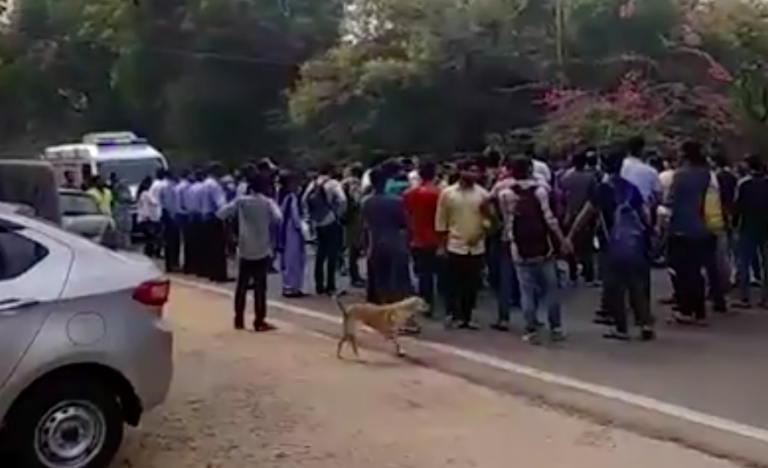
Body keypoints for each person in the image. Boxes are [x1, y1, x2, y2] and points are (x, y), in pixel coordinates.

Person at [569, 150, 655, 341]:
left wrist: (571, 236)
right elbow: (645, 215)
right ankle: (645, 324)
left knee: (614, 287)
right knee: (636, 285)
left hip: (610, 243)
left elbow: (586, 215)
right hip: (634, 243)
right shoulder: (631, 188)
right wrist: (649, 236)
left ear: (603, 166)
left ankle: (621, 328)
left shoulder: (602, 189)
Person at [498, 156, 571, 344]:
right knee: (551, 289)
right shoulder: (540, 191)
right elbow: (550, 219)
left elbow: (507, 221)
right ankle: (556, 328)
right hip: (543, 247)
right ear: (531, 169)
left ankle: (531, 329)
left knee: (526, 291)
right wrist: (562, 240)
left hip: (518, 249)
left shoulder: (504, 193)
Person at [218, 173, 283, 332]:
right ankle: (259, 320)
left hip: (245, 247)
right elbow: (278, 219)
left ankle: (238, 318)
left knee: (242, 285)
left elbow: (221, 213)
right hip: (261, 248)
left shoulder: (241, 202)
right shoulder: (267, 202)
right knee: (260, 287)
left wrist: (233, 231)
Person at [666, 141, 720, 325]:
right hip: (703, 229)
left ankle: (685, 308)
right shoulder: (707, 175)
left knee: (681, 271)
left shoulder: (679, 176)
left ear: (685, 155)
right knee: (697, 271)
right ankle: (699, 310)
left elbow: (670, 202)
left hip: (681, 228)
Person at [435, 159, 490, 329]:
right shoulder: (448, 194)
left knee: (472, 284)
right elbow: (441, 220)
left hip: (476, 246)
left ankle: (467, 316)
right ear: (460, 172)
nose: (473, 175)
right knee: (453, 283)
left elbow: (488, 219)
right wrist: (442, 245)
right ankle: (452, 314)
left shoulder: (483, 194)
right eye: (470, 171)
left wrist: (482, 231)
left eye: (476, 171)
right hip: (455, 244)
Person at [403, 159, 442, 318]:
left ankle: (421, 301)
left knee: (420, 271)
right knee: (433, 273)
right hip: (435, 238)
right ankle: (430, 302)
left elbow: (406, 216)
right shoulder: (439, 193)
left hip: (415, 237)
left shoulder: (408, 193)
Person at [302, 164, 347, 295]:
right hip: (331, 221)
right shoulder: (333, 184)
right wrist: (337, 214)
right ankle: (330, 285)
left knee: (320, 254)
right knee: (332, 254)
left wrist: (311, 219)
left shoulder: (313, 184)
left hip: (318, 222)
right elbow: (342, 200)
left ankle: (319, 285)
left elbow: (304, 201)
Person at [732, 154, 768, 308]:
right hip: (766, 226)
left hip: (747, 225)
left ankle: (744, 298)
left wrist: (734, 225)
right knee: (766, 263)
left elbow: (737, 206)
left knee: (744, 262)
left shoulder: (744, 184)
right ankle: (765, 299)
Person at [559, 150, 599, 285]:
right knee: (587, 247)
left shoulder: (564, 178)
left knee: (570, 244)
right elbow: (594, 199)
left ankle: (573, 273)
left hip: (569, 214)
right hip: (586, 216)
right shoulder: (590, 178)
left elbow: (561, 198)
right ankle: (589, 275)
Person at [278, 172, 307, 298]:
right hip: (292, 232)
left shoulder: (280, 195)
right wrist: (303, 229)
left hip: (283, 230)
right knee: (294, 260)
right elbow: (295, 218)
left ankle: (287, 286)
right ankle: (293, 287)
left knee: (286, 260)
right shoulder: (291, 198)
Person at [201, 163, 229, 282]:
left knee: (210, 247)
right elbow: (221, 204)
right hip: (214, 217)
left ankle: (211, 272)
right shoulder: (214, 185)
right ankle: (220, 274)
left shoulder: (204, 184)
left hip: (205, 217)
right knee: (218, 247)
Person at [151, 169, 181, 272]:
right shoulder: (168, 187)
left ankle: (172, 263)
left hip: (166, 214)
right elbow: (169, 204)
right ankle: (172, 264)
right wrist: (173, 216)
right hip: (170, 216)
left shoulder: (168, 186)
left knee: (171, 241)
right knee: (172, 241)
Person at [341, 163, 366, 288]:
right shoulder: (355, 184)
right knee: (354, 248)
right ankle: (354, 276)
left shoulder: (344, 182)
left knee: (351, 247)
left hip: (346, 218)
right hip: (355, 218)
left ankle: (352, 273)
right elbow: (357, 200)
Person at [136, 176, 161, 258]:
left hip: (143, 218)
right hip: (147, 218)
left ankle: (149, 252)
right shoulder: (146, 194)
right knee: (151, 237)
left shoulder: (141, 194)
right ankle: (149, 252)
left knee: (149, 237)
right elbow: (153, 202)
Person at [109, 172, 133, 249]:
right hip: (120, 211)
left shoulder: (118, 187)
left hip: (123, 211)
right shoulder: (116, 188)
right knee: (120, 229)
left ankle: (125, 245)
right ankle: (123, 245)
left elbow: (128, 198)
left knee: (124, 230)